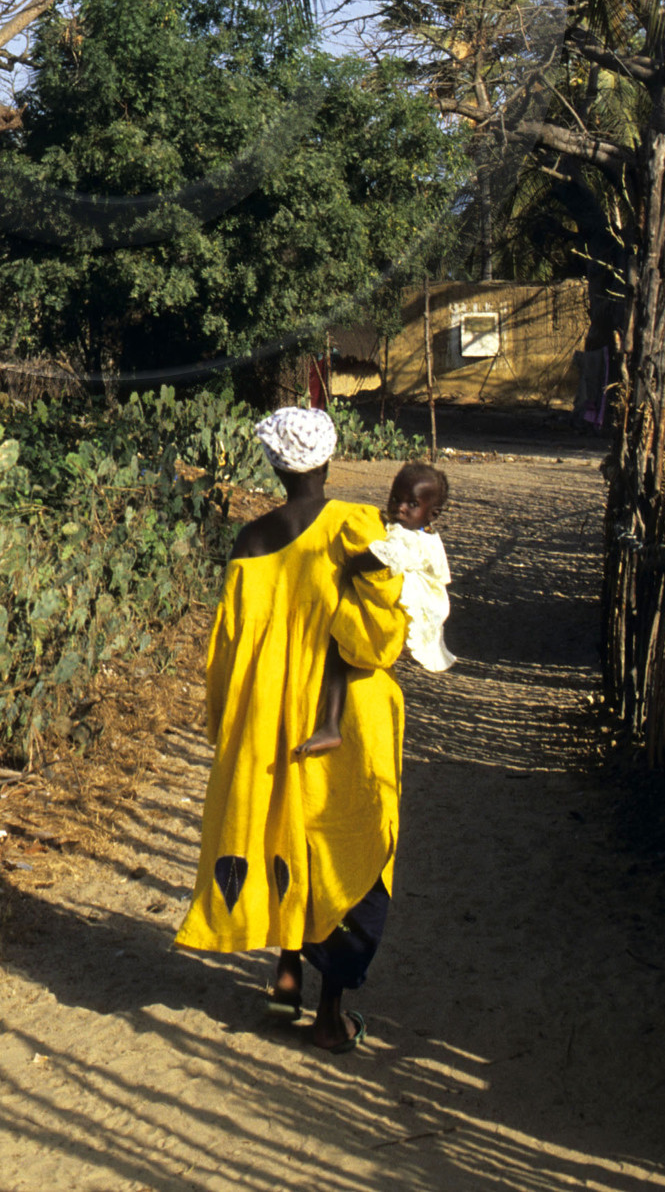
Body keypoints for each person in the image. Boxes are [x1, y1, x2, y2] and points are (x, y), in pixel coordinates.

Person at [176, 404, 410, 1054]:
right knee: (337, 853)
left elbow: (227, 648)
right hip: (344, 726)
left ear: (275, 465)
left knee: (281, 835)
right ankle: (330, 1015)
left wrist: (228, 722)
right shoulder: (355, 526)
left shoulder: (249, 542)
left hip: (269, 722)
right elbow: (377, 642)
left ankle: (285, 981)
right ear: (328, 460)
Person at [298, 463, 454, 759]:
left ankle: (331, 723)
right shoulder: (425, 535)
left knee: (338, 645)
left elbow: (386, 559)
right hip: (415, 603)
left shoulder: (410, 540)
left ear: (432, 515)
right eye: (396, 498)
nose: (400, 509)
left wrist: (351, 567)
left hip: (408, 604)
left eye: (412, 504)